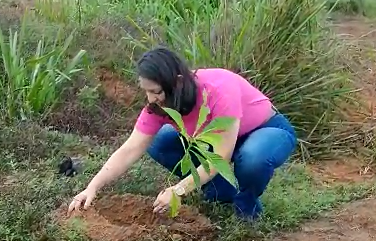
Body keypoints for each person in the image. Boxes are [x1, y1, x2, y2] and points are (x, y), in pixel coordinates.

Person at [68, 46, 297, 220]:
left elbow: (221, 156)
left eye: (155, 91)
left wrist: (178, 190)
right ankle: (220, 193)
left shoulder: (217, 90)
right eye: (146, 91)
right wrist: (92, 187)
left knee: (252, 157)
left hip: (265, 130)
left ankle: (246, 208)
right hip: (218, 141)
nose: (151, 99)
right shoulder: (160, 105)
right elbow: (130, 149)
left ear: (176, 83)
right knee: (160, 141)